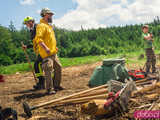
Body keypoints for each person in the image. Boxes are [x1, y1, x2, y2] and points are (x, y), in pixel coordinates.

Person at [33, 8, 63, 94]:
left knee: (58, 67)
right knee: (48, 69)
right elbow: (38, 39)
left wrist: (54, 47)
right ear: (45, 15)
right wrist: (46, 48)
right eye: (50, 14)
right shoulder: (41, 26)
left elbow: (50, 39)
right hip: (46, 53)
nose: (51, 16)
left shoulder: (49, 26)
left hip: (53, 52)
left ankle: (56, 85)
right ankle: (49, 89)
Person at [23, 16, 45, 90]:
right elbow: (34, 43)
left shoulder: (37, 28)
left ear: (31, 22)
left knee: (37, 64)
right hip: (39, 50)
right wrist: (27, 46)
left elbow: (41, 39)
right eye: (25, 24)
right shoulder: (31, 31)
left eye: (27, 23)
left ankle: (42, 83)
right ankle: (42, 83)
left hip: (44, 49)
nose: (26, 25)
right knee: (40, 66)